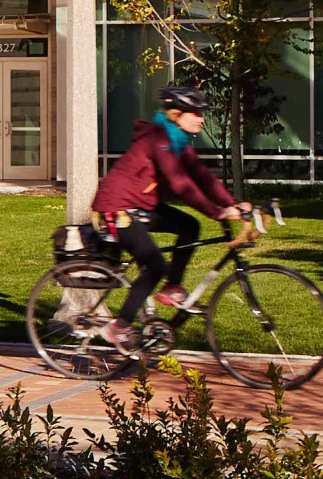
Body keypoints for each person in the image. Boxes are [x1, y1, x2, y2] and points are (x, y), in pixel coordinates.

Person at [89, 85, 247, 345]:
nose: (201, 117)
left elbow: (202, 177)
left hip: (140, 204)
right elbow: (180, 184)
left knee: (188, 226)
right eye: (195, 112)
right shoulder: (158, 140)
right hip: (117, 208)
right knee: (155, 266)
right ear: (176, 114)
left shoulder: (177, 141)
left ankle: (173, 288)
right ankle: (119, 327)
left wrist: (233, 204)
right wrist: (217, 213)